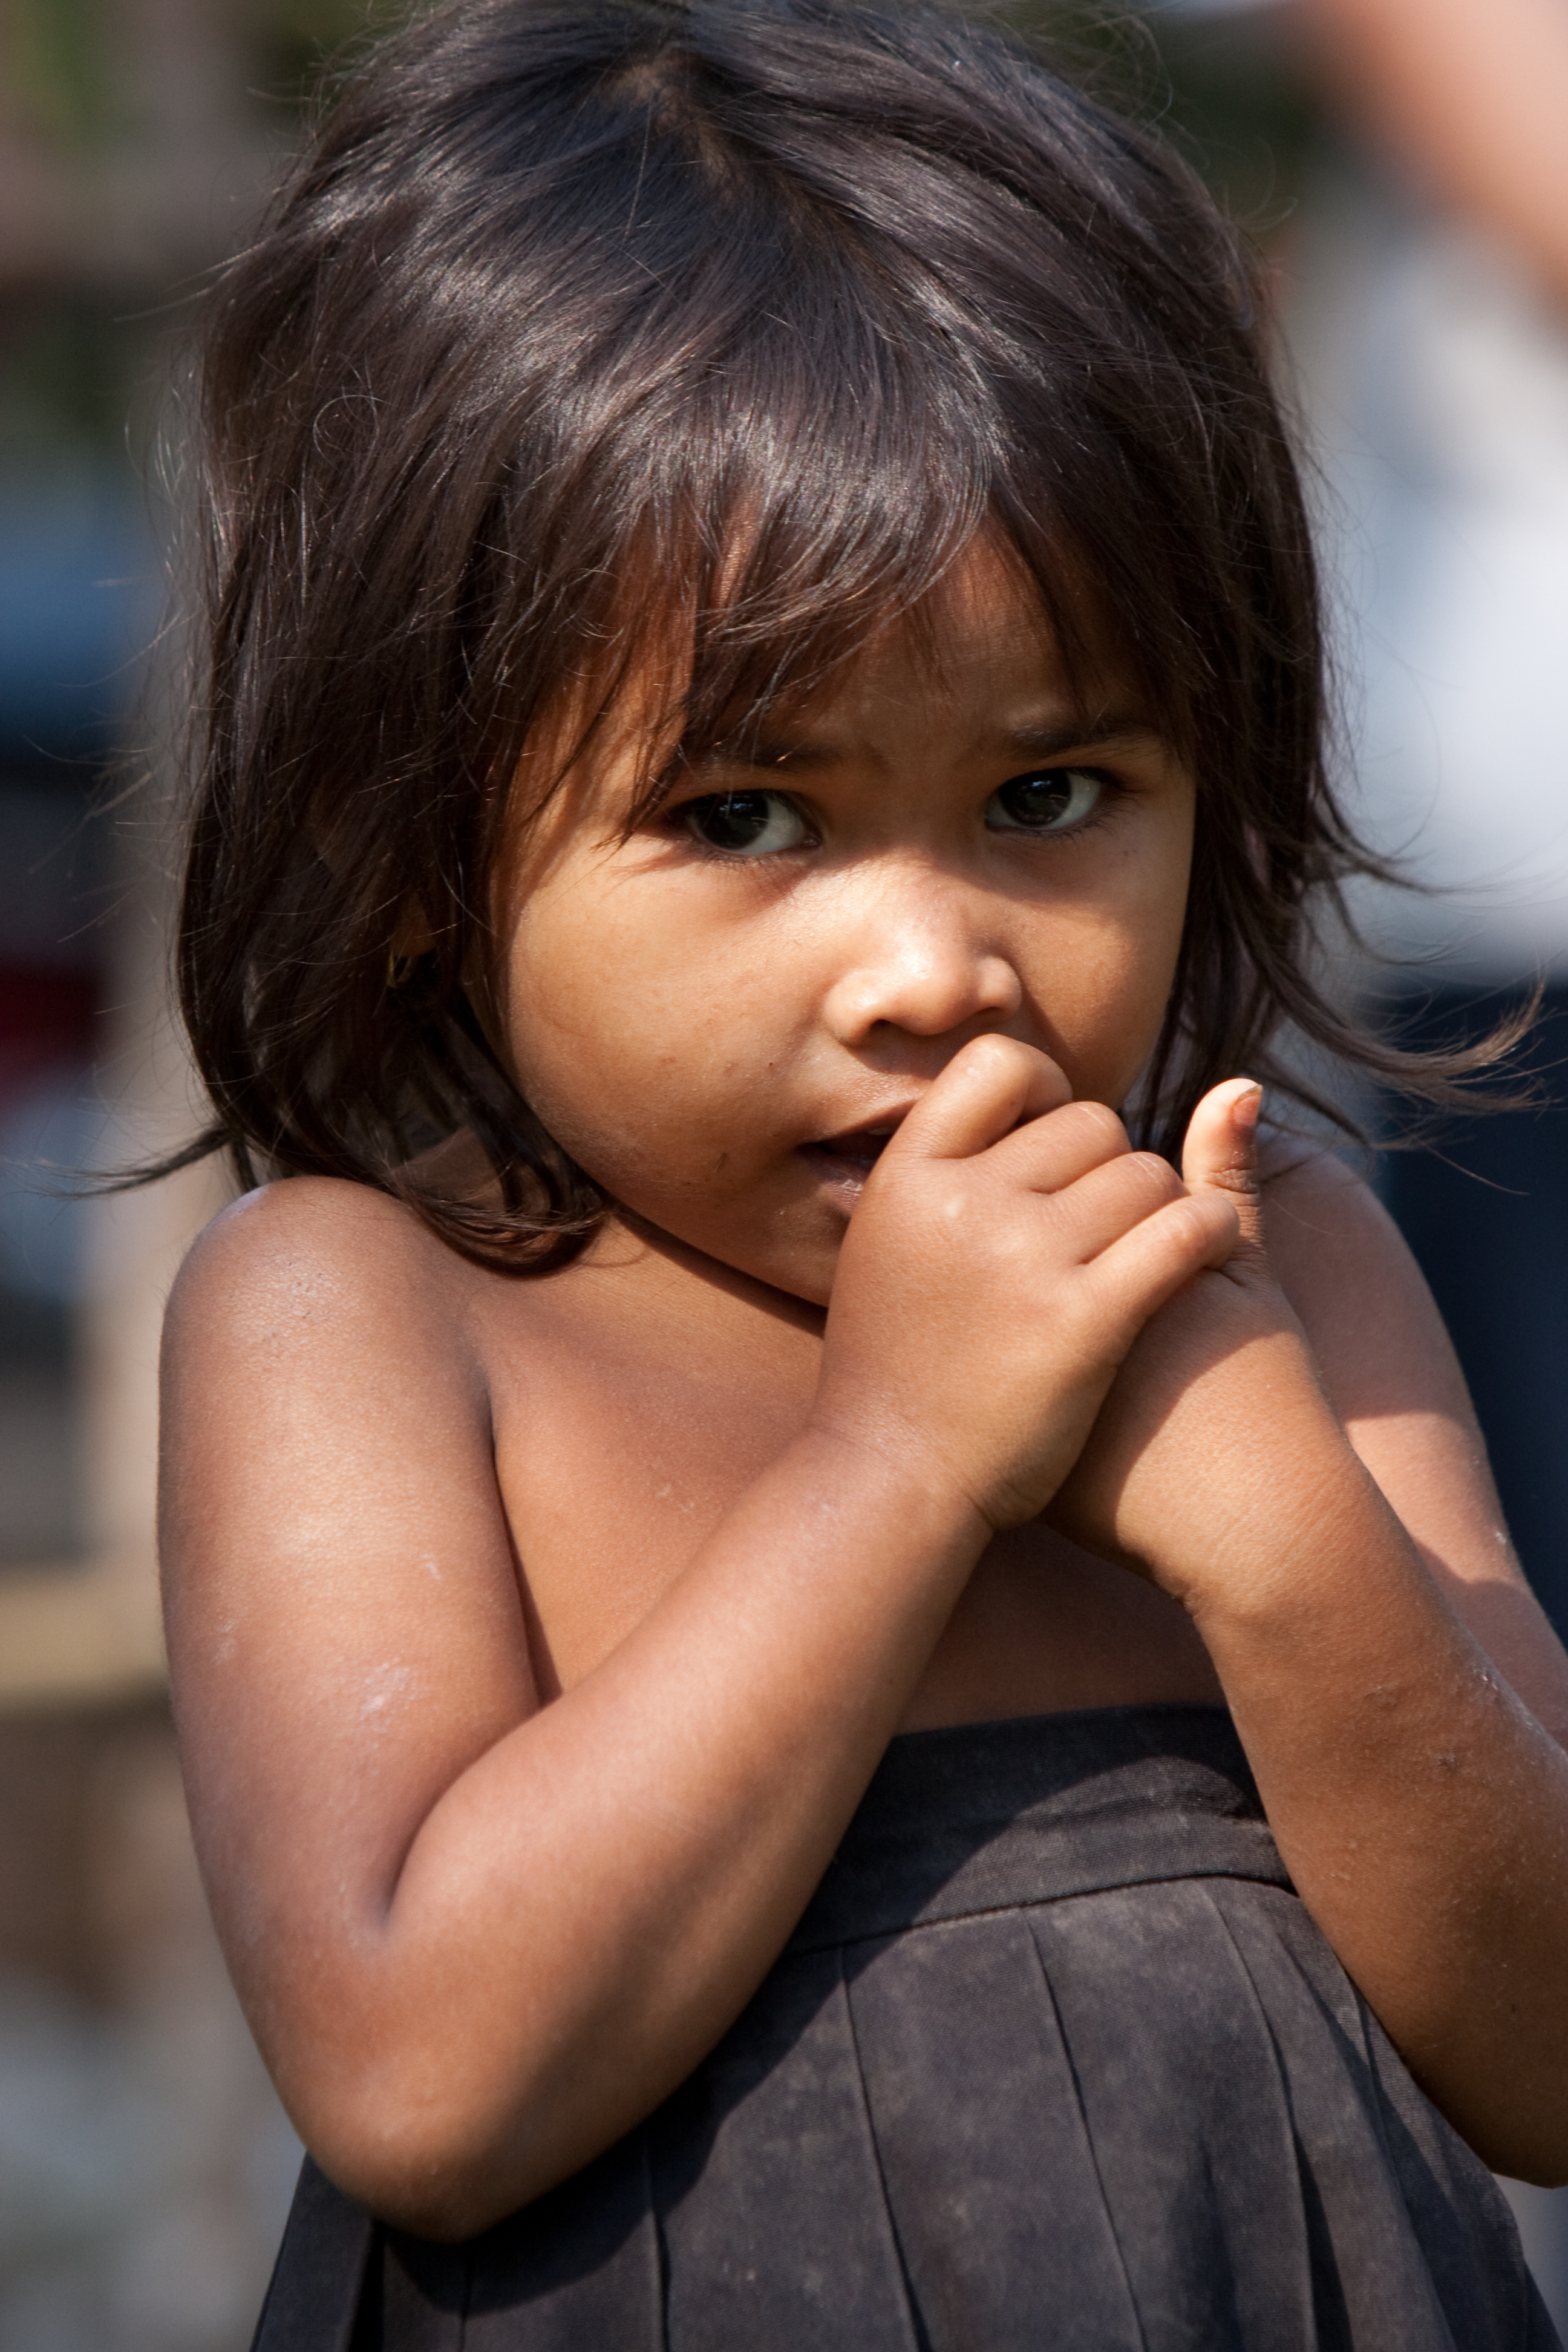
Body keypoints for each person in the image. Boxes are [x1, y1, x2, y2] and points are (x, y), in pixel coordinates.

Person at [154, 3, 1568, 2342]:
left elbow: (1542, 2062)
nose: (933, 966)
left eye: (1046, 798)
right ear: (406, 845)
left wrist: (1288, 1539)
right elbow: (419, 2072)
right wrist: (898, 1463)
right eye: (742, 820)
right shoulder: (368, 1321)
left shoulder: (1279, 1268)